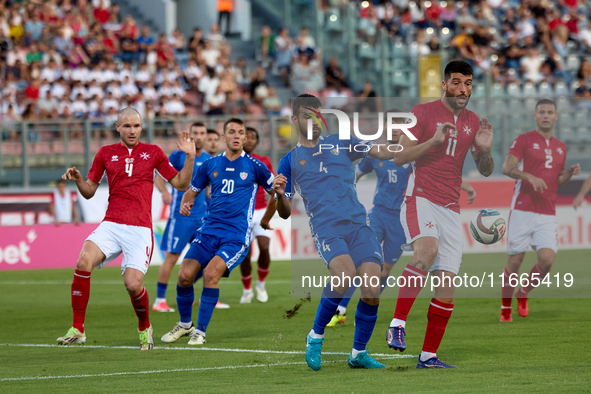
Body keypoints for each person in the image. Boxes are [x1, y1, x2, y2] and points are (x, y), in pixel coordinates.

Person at [273, 94, 402, 371]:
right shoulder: (290, 161)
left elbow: (378, 151)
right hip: (326, 228)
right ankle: (315, 337)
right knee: (345, 275)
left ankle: (358, 354)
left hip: (358, 225)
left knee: (371, 287)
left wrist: (404, 145)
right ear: (295, 120)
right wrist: (280, 195)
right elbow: (284, 211)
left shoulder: (341, 142)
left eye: (319, 114)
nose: (316, 121)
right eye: (308, 115)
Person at [56, 107, 196, 350]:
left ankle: (145, 327)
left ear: (142, 128)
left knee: (133, 285)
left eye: (137, 126)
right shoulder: (105, 153)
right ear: (117, 127)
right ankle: (78, 329)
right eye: (127, 126)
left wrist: (190, 157)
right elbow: (89, 192)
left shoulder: (153, 153)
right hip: (111, 223)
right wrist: (79, 179)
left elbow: (181, 185)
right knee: (83, 262)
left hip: (139, 228)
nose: (132, 130)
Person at [385, 61, 494, 369]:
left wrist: (484, 151)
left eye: (468, 83)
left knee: (447, 285)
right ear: (444, 85)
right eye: (457, 82)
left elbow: (486, 171)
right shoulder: (422, 113)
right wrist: (432, 141)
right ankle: (397, 323)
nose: (463, 89)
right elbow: (398, 156)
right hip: (420, 197)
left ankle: (428, 356)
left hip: (450, 207)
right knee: (427, 250)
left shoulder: (473, 121)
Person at [160, 118, 275, 345]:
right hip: (209, 231)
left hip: (235, 236)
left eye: (240, 132)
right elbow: (190, 191)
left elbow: (277, 193)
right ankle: (184, 325)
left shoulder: (255, 166)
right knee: (184, 275)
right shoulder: (210, 165)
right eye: (231, 132)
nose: (236, 135)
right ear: (224, 137)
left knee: (211, 274)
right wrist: (186, 203)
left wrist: (268, 217)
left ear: (243, 138)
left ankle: (200, 332)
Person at [326, 114, 412, 327]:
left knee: (384, 270)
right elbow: (357, 173)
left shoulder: (413, 155)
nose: (394, 130)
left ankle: (368, 305)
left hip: (401, 220)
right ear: (385, 127)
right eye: (391, 126)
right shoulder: (376, 154)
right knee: (362, 262)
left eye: (399, 126)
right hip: (378, 214)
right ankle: (340, 309)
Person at [500, 99, 580, 322]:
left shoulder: (561, 147)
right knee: (514, 262)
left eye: (550, 112)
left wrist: (569, 173)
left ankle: (523, 293)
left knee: (547, 260)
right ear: (535, 116)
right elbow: (507, 168)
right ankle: (505, 308)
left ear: (556, 117)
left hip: (547, 213)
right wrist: (528, 176)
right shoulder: (524, 140)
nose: (546, 115)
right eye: (542, 112)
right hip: (522, 209)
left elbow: (557, 181)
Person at [153, 122, 229, 312]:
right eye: (196, 133)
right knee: (171, 258)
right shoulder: (179, 156)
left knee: (209, 259)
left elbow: (210, 189)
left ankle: (206, 297)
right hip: (181, 217)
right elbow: (159, 177)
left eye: (203, 133)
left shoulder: (209, 160)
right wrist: (164, 192)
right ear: (191, 135)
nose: (200, 136)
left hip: (201, 218)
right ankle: (159, 300)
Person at [239, 127, 276, 303]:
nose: (250, 140)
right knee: (245, 255)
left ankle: (260, 284)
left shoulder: (264, 161)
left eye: (254, 137)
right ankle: (247, 290)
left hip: (261, 211)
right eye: (248, 137)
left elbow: (273, 185)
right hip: (242, 213)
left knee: (265, 247)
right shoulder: (234, 160)